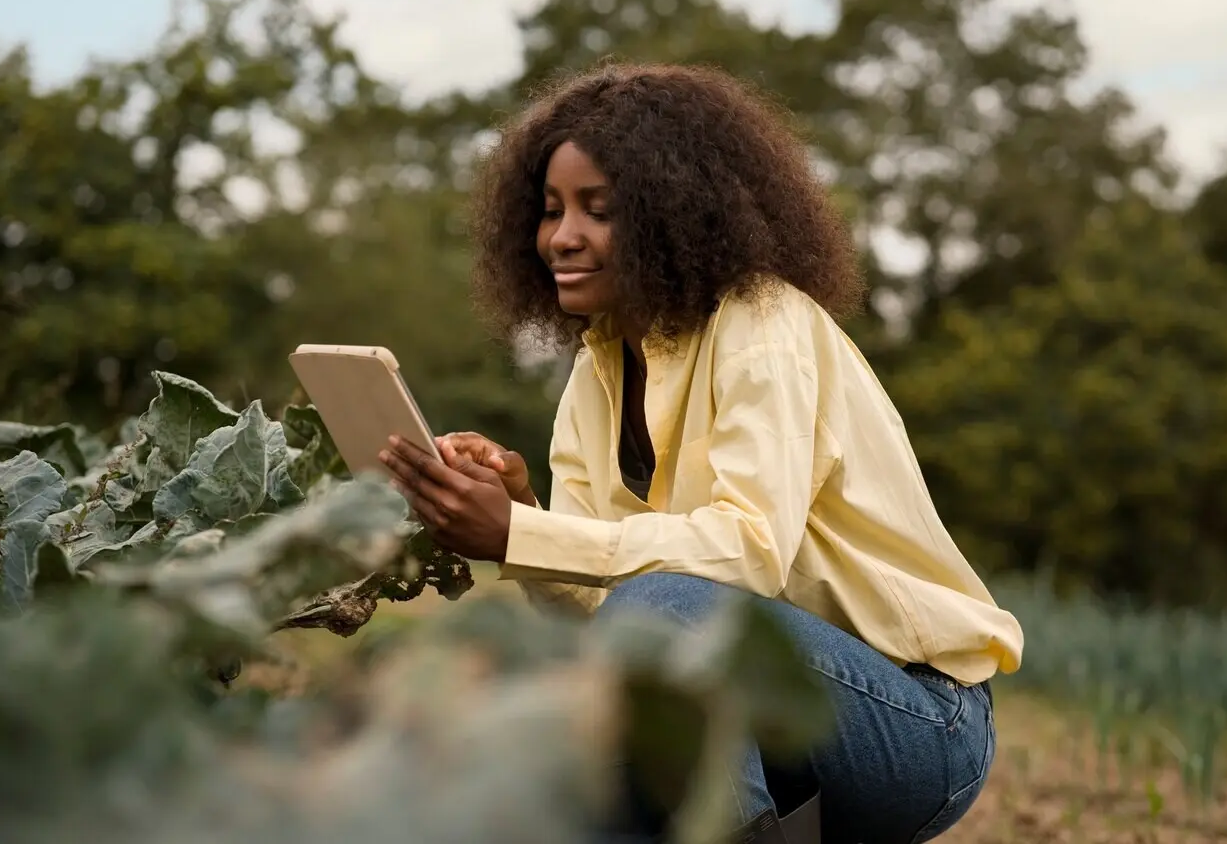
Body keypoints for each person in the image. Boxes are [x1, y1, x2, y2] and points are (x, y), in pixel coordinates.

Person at [379, 62, 1025, 844]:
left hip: (915, 720)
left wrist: (521, 537)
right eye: (550, 211)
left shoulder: (764, 324)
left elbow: (746, 552)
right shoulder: (595, 371)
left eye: (598, 210)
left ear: (669, 213)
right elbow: (599, 615)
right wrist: (521, 518)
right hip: (753, 704)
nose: (562, 237)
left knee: (668, 609)